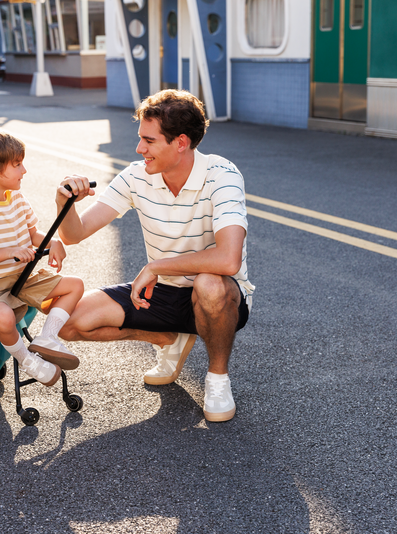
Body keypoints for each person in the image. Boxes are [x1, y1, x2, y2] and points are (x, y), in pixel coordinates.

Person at [55, 89, 254, 422]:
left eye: (149, 141)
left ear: (180, 142)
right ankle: (167, 339)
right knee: (70, 322)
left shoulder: (222, 175)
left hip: (217, 295)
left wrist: (157, 266)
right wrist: (64, 204)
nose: (139, 149)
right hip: (162, 293)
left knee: (209, 283)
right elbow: (74, 234)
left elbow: (228, 259)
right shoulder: (135, 176)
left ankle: (218, 379)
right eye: (140, 139)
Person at [0, 131, 85, 386]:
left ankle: (47, 338)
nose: (24, 170)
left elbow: (33, 234)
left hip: (21, 278)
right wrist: (9, 252)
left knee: (75, 285)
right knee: (3, 317)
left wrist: (54, 243)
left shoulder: (17, 199)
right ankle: (27, 360)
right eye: (17, 165)